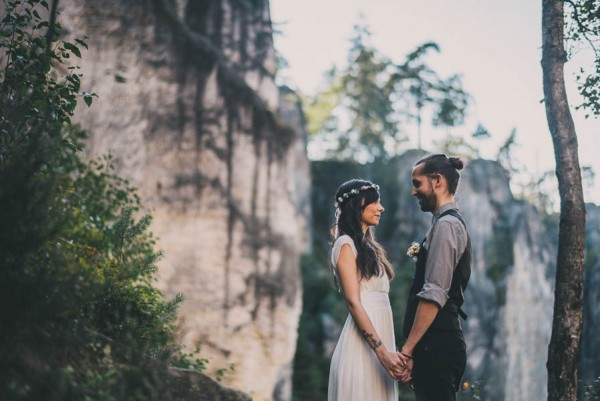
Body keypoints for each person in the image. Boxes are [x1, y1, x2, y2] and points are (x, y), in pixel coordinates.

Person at [398, 153, 472, 401]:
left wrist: (407, 350)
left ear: (437, 181)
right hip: (433, 346)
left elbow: (434, 293)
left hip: (436, 346)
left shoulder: (447, 226)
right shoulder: (443, 224)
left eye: (417, 183)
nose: (413, 191)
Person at [327, 179, 402, 401]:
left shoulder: (369, 248)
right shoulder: (345, 244)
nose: (381, 208)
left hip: (383, 344)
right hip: (361, 351)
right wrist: (382, 353)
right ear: (358, 204)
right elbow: (353, 302)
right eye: (375, 202)